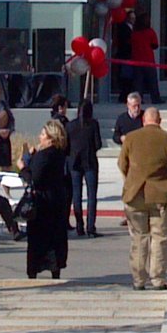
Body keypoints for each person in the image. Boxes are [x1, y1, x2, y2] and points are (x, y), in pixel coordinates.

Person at [115, 107, 167, 291]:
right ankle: (158, 278)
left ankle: (138, 279)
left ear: (144, 120)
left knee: (138, 237)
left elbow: (122, 164)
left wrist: (134, 178)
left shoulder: (130, 139)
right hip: (161, 194)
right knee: (160, 237)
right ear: (159, 120)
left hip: (135, 194)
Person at [21, 120, 71, 279]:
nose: (40, 137)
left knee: (38, 238)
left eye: (43, 135)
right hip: (57, 199)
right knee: (55, 237)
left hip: (43, 202)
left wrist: (23, 168)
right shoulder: (59, 153)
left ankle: (33, 270)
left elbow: (34, 178)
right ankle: (55, 269)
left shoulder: (45, 155)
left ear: (51, 138)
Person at [66, 97, 104, 238]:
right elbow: (98, 144)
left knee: (76, 195)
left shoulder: (70, 126)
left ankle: (79, 225)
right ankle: (90, 227)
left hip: (75, 163)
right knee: (91, 196)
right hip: (90, 162)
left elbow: (66, 146)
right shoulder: (93, 125)